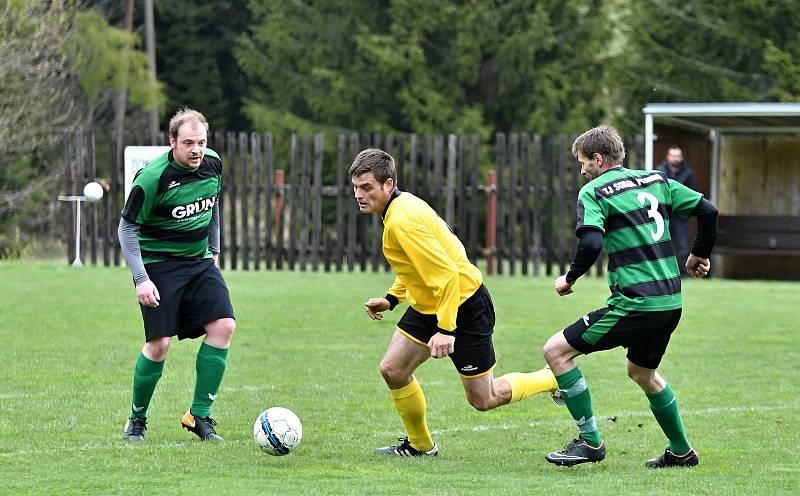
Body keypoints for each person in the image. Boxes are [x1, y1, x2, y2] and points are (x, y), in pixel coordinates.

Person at [351, 148, 559, 457]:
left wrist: (446, 329)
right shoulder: (399, 208)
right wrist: (392, 298)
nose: (358, 194)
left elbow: (447, 273)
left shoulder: (401, 220)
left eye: (366, 187)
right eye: (355, 187)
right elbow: (416, 266)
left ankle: (552, 377)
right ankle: (420, 446)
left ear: (388, 185)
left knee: (484, 399)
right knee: (393, 369)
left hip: (464, 305)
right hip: (430, 304)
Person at [541, 125, 717, 468]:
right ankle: (681, 451)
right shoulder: (656, 179)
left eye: (582, 163)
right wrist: (698, 254)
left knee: (556, 351)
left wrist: (570, 278)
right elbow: (707, 210)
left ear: (598, 159)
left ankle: (590, 442)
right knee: (641, 371)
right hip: (670, 301)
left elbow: (591, 242)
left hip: (637, 302)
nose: (581, 171)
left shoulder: (594, 191)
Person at [119, 108, 236, 442]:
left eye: (201, 142)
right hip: (158, 265)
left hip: (199, 261)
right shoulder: (153, 177)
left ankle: (198, 416)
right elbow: (127, 228)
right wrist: (141, 279)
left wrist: (213, 252)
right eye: (189, 143)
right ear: (172, 142)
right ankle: (136, 419)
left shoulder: (213, 163)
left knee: (224, 326)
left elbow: (211, 207)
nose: (196, 149)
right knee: (159, 345)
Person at [657, 146, 700, 276]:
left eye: (678, 156)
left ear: (681, 158)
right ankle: (662, 273)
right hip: (663, 213)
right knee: (660, 243)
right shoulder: (660, 171)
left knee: (683, 246)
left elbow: (693, 191)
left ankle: (685, 273)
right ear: (668, 157)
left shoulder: (688, 173)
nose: (675, 159)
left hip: (680, 214)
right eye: (673, 156)